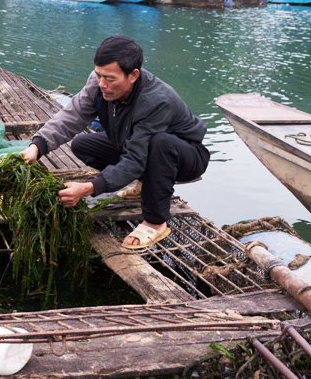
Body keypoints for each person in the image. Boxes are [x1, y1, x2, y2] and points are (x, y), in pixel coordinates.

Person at [22, 36, 209, 249]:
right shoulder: (98, 82)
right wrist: (37, 146)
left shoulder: (157, 100)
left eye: (109, 79)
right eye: (99, 75)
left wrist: (90, 188)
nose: (102, 84)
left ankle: (156, 222)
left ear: (133, 75)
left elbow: (135, 159)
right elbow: (72, 115)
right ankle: (145, 183)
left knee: (161, 142)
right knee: (83, 145)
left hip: (186, 157)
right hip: (139, 145)